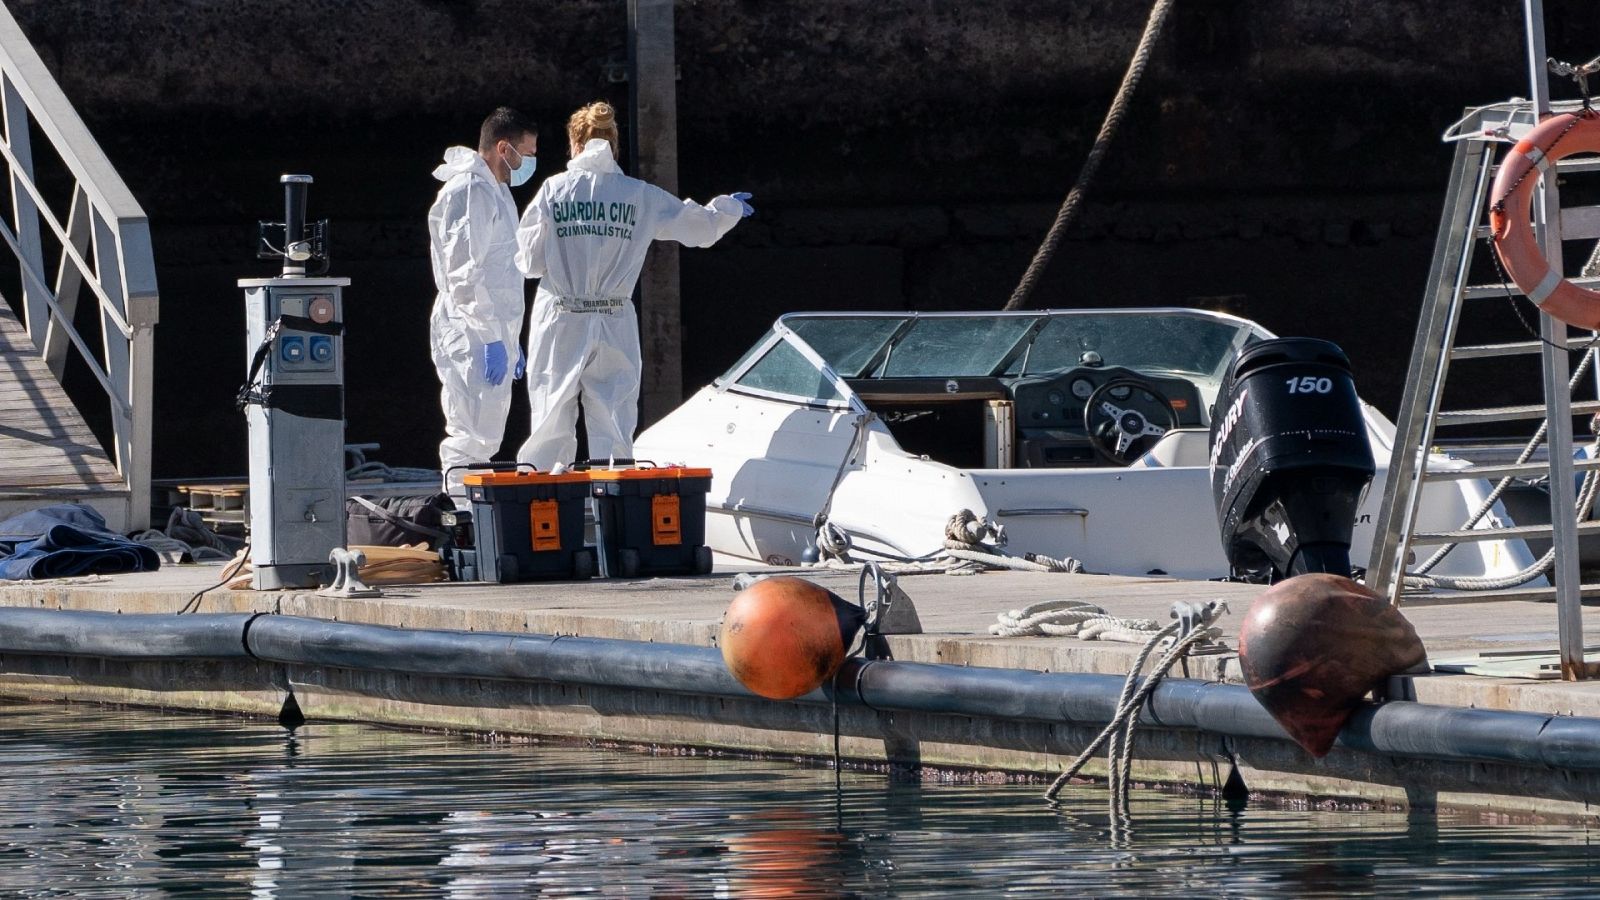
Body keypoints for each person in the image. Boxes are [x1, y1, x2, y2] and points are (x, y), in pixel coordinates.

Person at [513, 100, 753, 471]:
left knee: (550, 420)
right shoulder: (639, 195)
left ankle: (545, 500)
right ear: (614, 145)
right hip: (614, 319)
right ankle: (614, 500)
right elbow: (699, 229)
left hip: (562, 317)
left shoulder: (554, 191)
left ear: (574, 144)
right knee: (613, 422)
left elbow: (529, 263)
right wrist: (726, 211)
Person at [427, 107, 539, 505]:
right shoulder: (470, 191)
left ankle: (473, 513)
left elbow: (501, 269)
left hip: (490, 330)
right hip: (470, 330)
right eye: (527, 153)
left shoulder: (496, 190)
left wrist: (509, 338)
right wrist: (493, 337)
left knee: (485, 433)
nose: (529, 163)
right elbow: (463, 274)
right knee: (469, 432)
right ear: (503, 148)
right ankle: (461, 514)